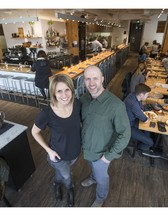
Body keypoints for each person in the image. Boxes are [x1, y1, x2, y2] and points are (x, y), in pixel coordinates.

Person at [80, 65, 131, 207]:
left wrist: (107, 157)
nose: (91, 83)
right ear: (84, 81)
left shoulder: (116, 105)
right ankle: (92, 177)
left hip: (102, 154)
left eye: (95, 78)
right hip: (87, 148)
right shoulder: (84, 99)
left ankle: (100, 198)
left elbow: (125, 134)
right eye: (87, 79)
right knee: (92, 167)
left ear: (102, 79)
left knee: (102, 178)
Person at [31, 74, 81, 207]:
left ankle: (56, 183)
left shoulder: (77, 105)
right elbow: (34, 132)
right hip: (58, 155)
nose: (64, 95)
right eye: (59, 91)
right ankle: (70, 189)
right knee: (67, 176)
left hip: (75, 152)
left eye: (67, 90)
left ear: (72, 90)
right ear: (53, 92)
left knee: (62, 173)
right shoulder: (47, 113)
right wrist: (49, 151)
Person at [124, 83, 159, 157]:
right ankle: (140, 148)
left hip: (132, 121)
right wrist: (150, 117)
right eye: (147, 94)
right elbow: (145, 119)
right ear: (141, 95)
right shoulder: (133, 103)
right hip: (127, 127)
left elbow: (142, 108)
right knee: (150, 142)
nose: (148, 96)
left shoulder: (134, 95)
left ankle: (143, 141)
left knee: (148, 130)